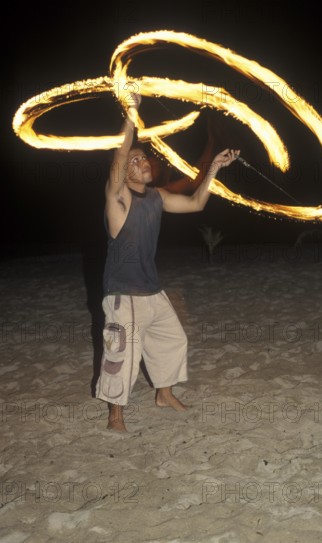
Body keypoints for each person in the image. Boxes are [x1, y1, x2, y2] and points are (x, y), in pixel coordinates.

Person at [95, 91, 239, 432]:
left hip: (151, 288)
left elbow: (196, 204)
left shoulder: (158, 197)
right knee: (123, 356)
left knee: (174, 340)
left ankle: (163, 394)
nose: (142, 162)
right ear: (122, 172)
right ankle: (115, 415)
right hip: (124, 292)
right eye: (135, 161)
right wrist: (132, 111)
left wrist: (214, 169)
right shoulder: (118, 198)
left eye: (144, 158)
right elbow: (119, 155)